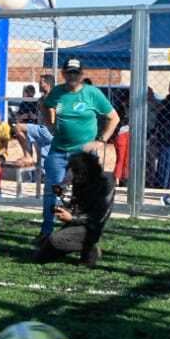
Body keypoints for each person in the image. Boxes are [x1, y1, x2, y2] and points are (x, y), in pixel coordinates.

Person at [39, 58, 118, 237]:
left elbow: (114, 118)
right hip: (59, 150)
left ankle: (80, 230)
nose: (72, 76)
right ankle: (46, 231)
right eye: (68, 72)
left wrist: (101, 140)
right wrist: (49, 124)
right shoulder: (57, 92)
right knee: (53, 190)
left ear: (81, 74)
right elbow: (45, 105)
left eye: (75, 72)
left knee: (83, 192)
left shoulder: (92, 94)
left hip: (83, 154)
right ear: (63, 74)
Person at [36, 151, 114, 266]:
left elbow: (99, 217)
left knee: (55, 240)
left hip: (92, 227)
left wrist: (71, 218)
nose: (74, 176)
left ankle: (90, 247)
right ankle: (83, 246)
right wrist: (63, 202)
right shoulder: (80, 181)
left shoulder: (106, 184)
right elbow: (76, 206)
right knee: (41, 256)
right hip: (78, 223)